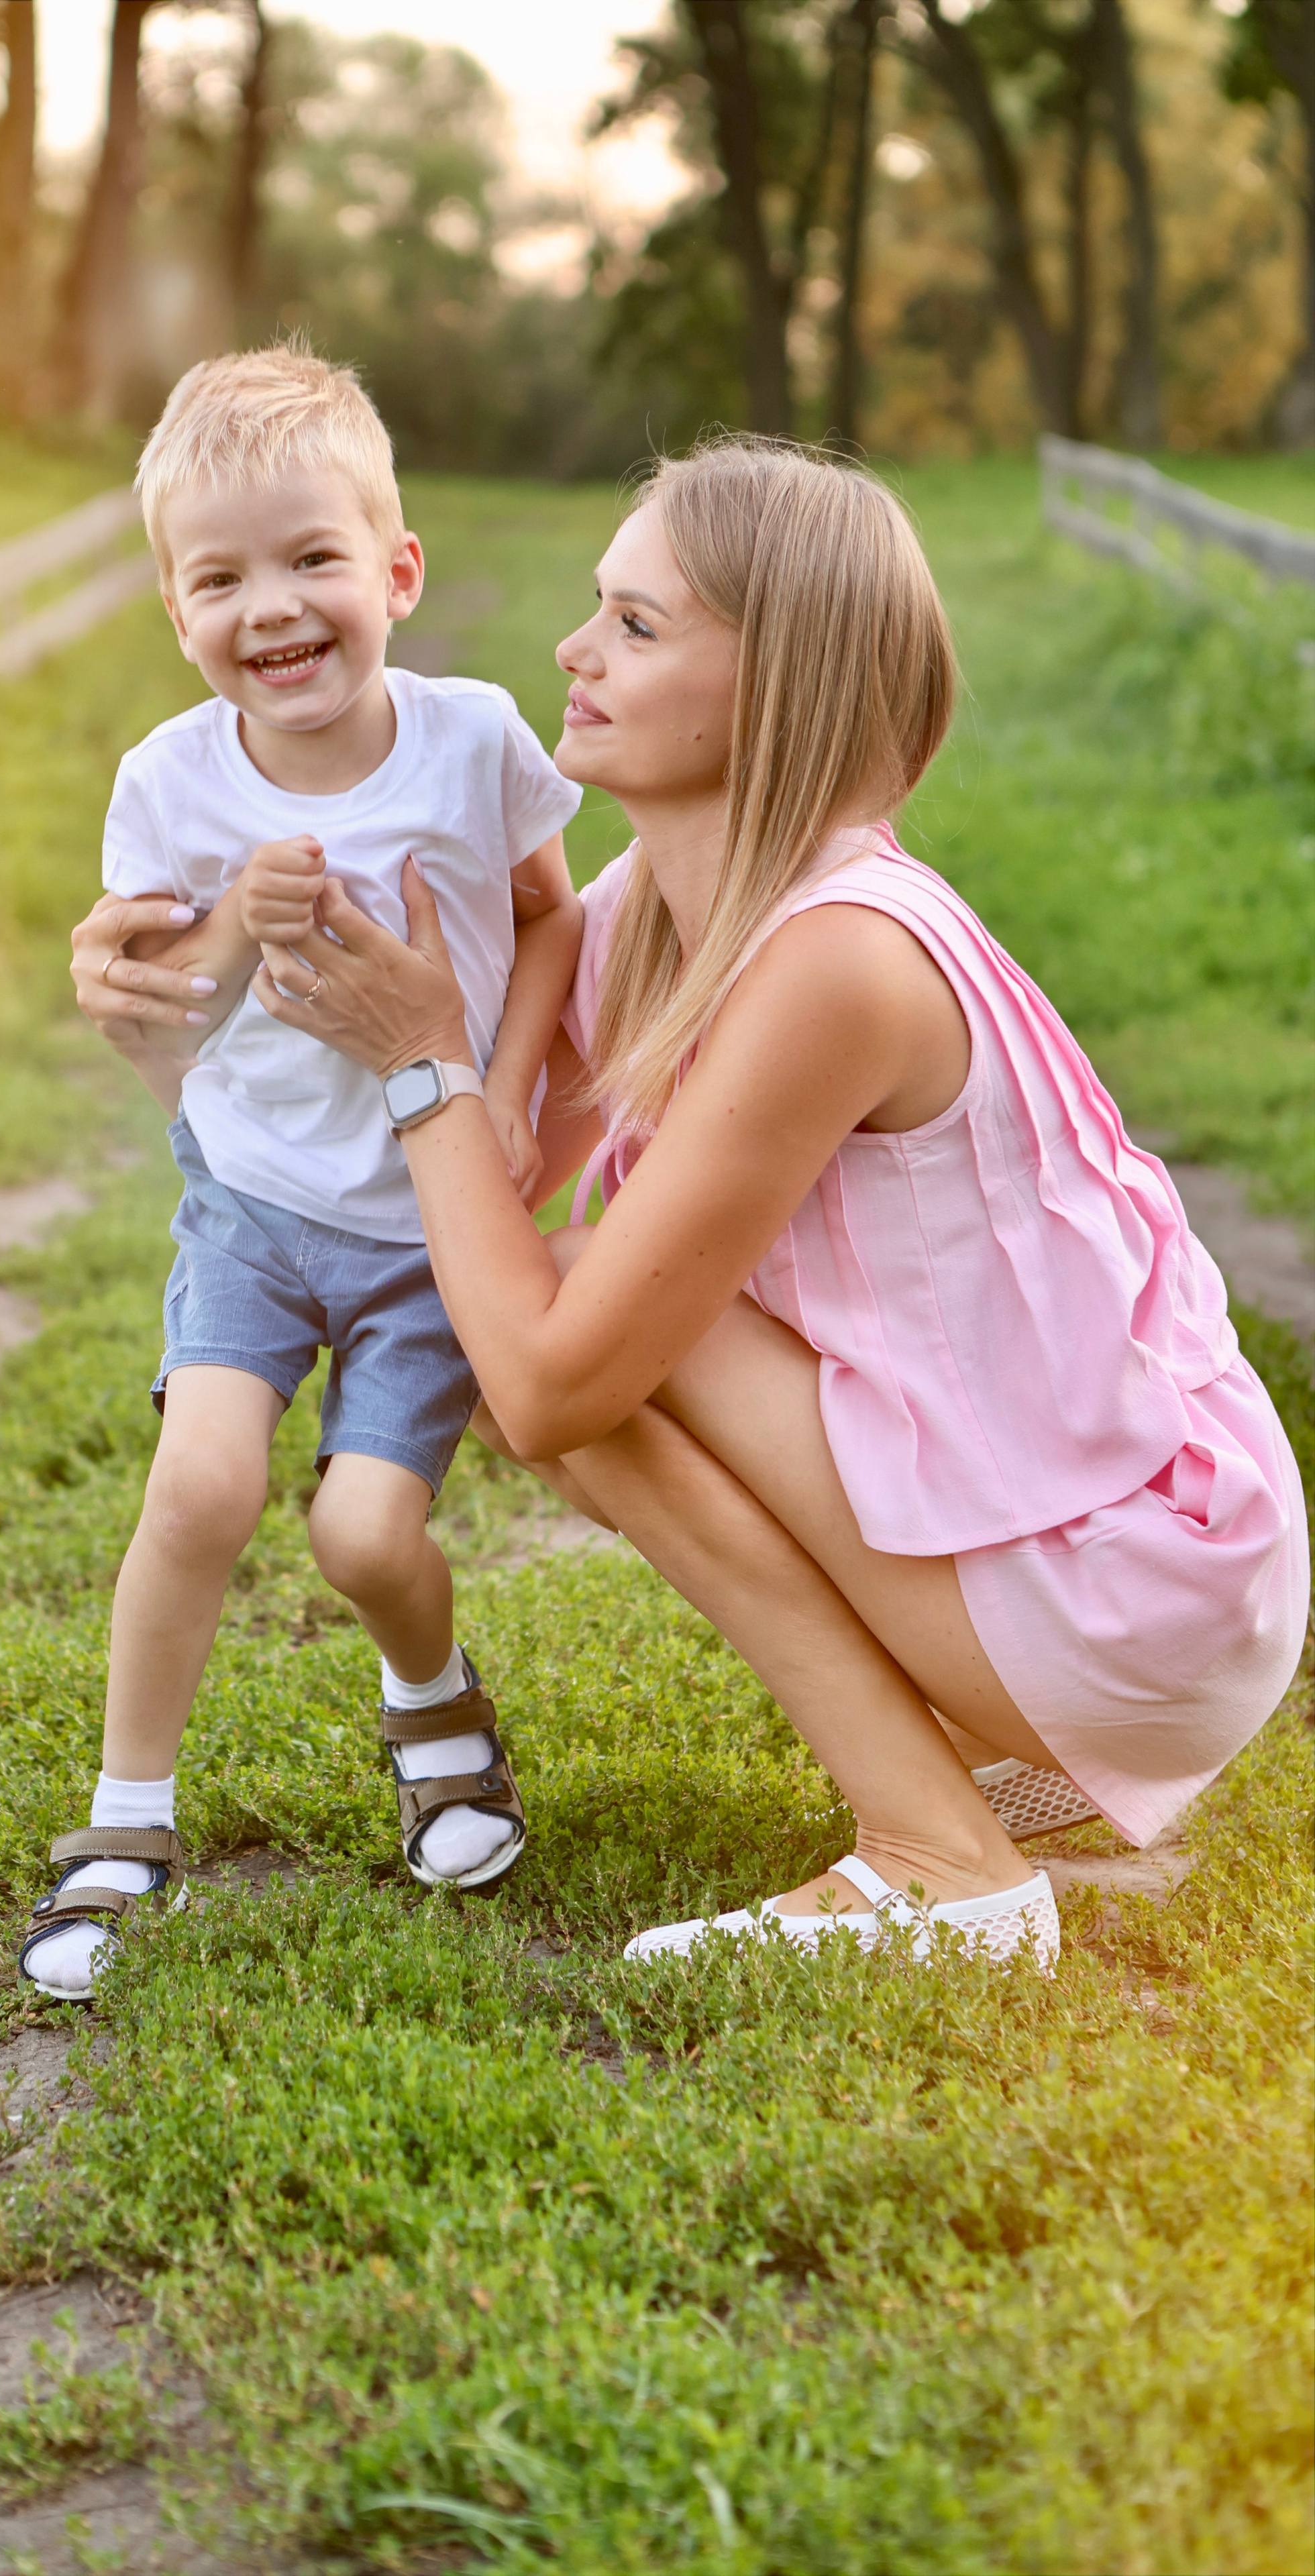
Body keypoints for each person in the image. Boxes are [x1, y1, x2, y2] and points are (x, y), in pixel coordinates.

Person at [222, 435, 1308, 1974]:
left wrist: (418, 1062)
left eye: (639, 626)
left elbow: (538, 1381)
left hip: (1145, 1592)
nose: (572, 651)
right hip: (1114, 1562)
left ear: (775, 684)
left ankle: (939, 1860)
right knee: (537, 1299)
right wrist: (185, 988)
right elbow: (476, 1201)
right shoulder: (662, 907)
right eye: (599, 610)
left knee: (570, 1341)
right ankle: (978, 1799)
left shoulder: (838, 961)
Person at [32, 346, 584, 2000]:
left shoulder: (475, 741)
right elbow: (165, 1009)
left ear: (394, 572)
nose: (269, 607)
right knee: (199, 1487)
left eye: (309, 560)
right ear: (175, 607)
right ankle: (126, 1817)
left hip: (427, 1220)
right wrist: (227, 917)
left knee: (360, 1532)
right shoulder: (169, 781)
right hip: (255, 1202)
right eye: (220, 578)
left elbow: (553, 912)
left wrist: (502, 1098)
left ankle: (435, 1712)